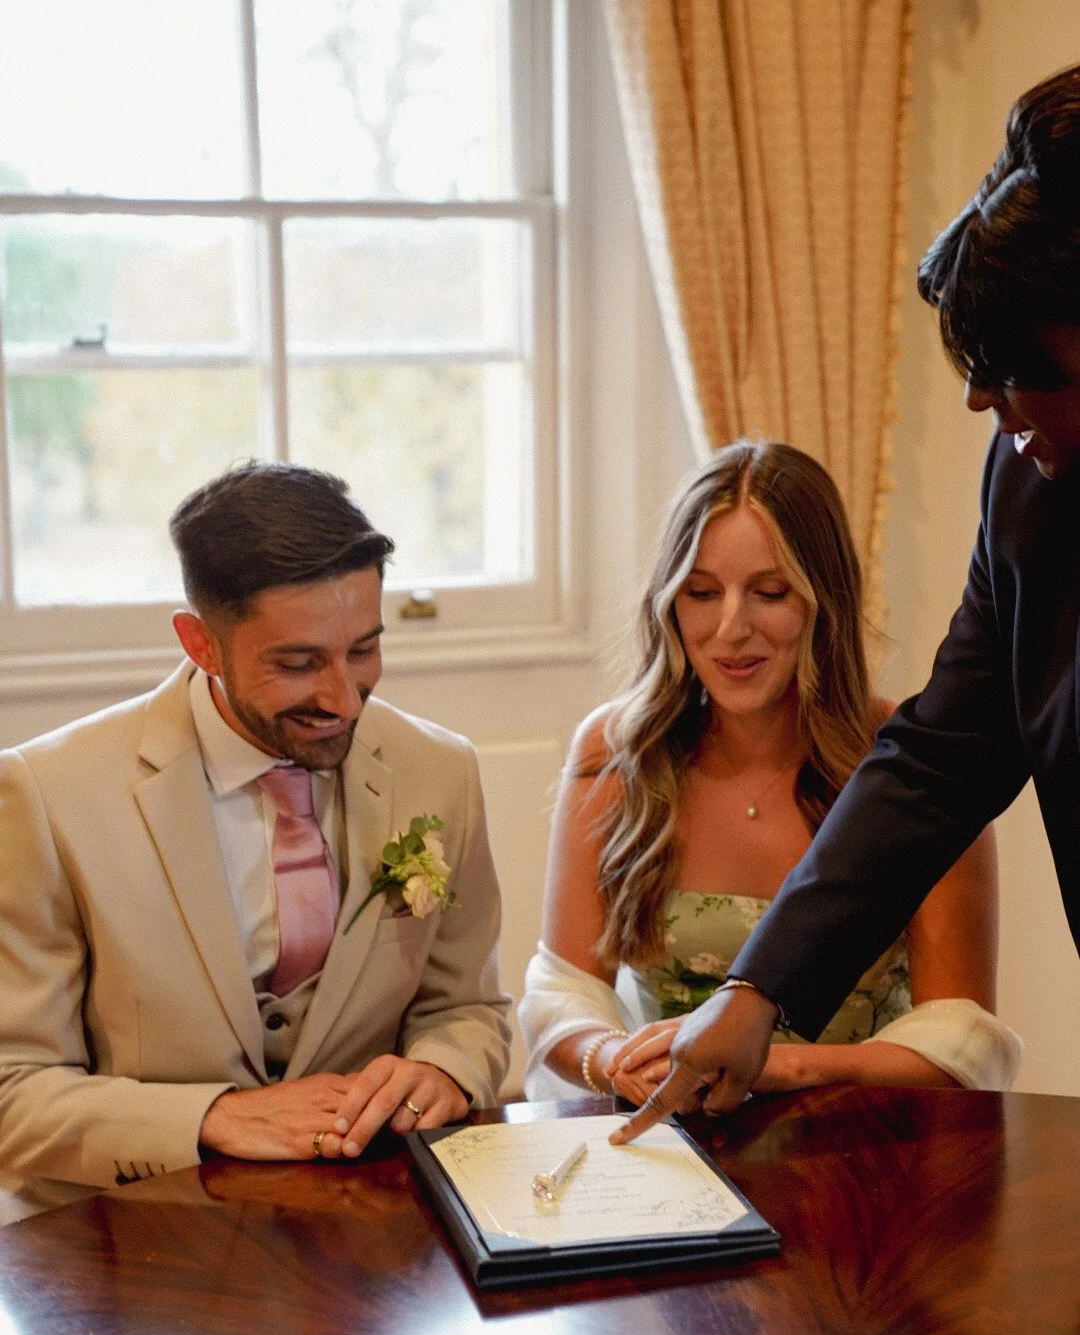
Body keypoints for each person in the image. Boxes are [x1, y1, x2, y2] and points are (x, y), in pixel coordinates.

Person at [611, 63, 1080, 1147]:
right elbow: (940, 755)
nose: (980, 400)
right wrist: (757, 987)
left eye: (1009, 365)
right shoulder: (1026, 479)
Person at [0, 462, 510, 1222]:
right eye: (298, 663)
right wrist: (214, 1118)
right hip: (131, 1243)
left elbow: (469, 1008)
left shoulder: (440, 770)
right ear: (201, 644)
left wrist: (444, 1070)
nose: (343, 700)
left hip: (370, 1232)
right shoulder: (46, 794)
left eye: (363, 650)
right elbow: (14, 1090)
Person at [520, 440, 1021, 1106]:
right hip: (673, 1140)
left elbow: (963, 1040)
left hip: (863, 1146)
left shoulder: (918, 765)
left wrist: (779, 1066)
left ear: (826, 599)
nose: (732, 629)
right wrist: (615, 1059)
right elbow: (563, 994)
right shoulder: (616, 753)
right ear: (669, 605)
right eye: (701, 593)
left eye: (770, 592)